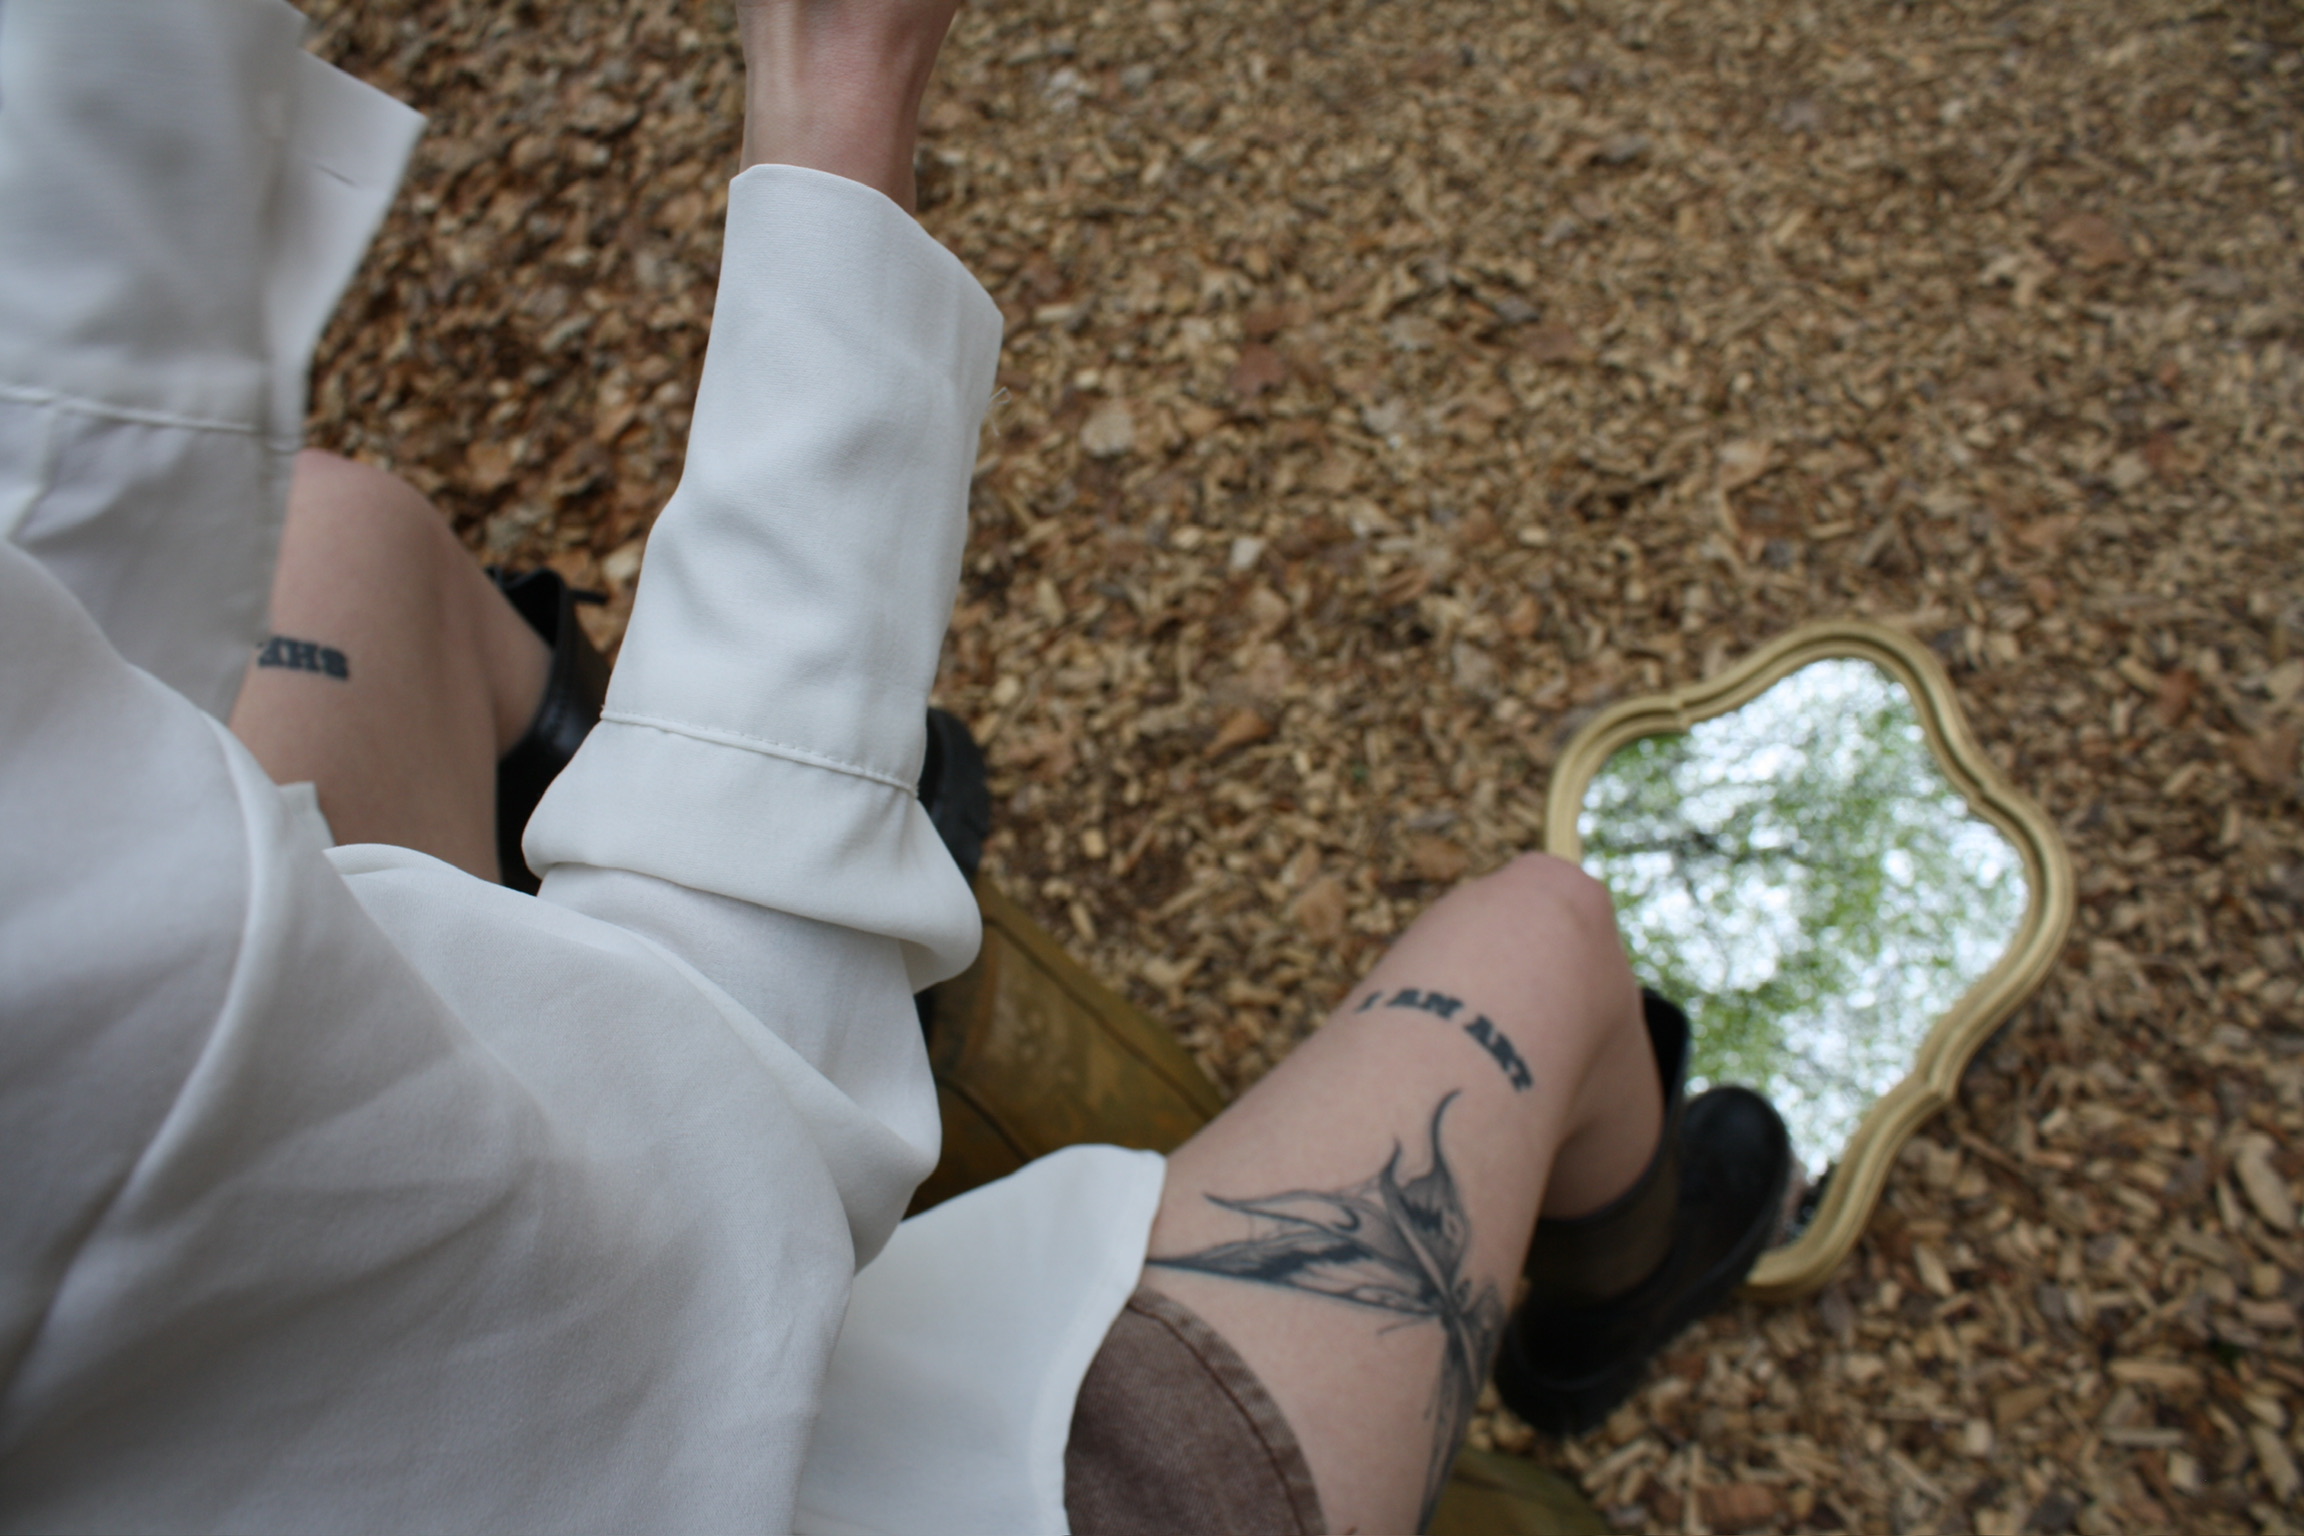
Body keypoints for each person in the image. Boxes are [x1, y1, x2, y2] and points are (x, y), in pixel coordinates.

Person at [0, 2, 1789, 1532]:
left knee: (344, 542)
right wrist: (838, 114)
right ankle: (1600, 1312)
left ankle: (692, 827)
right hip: (771, 1453)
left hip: (227, 1363)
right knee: (1547, 938)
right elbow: (709, 1168)